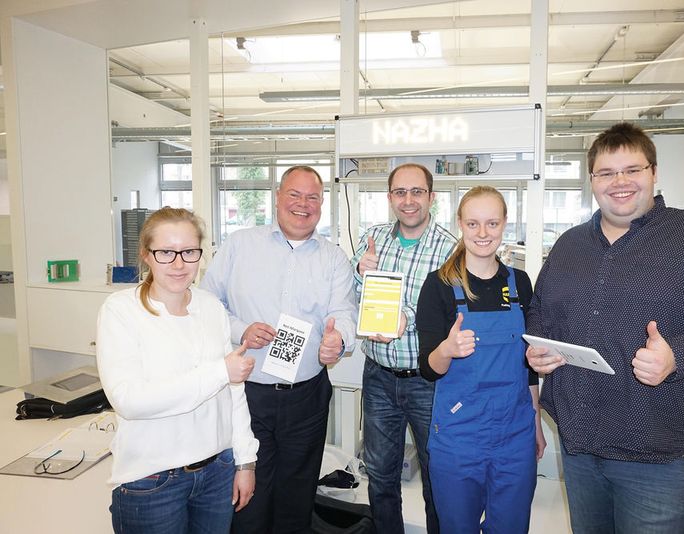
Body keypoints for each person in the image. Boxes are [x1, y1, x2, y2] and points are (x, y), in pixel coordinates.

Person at [526, 122, 684, 533]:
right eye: (606, 172)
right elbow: (541, 312)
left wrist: (680, 355)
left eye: (632, 170)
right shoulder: (569, 245)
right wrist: (540, 350)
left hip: (660, 452)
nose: (619, 182)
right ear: (592, 182)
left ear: (654, 173)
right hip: (581, 446)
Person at [201, 165, 357, 534]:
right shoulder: (239, 245)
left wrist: (339, 339)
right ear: (277, 197)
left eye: (313, 197)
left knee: (297, 496)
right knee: (248, 494)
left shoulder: (333, 257)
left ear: (322, 204)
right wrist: (241, 330)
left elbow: (343, 312)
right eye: (295, 194)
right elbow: (206, 304)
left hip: (307, 397)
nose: (303, 204)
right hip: (247, 393)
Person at [96, 207, 259, 534]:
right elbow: (129, 401)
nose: (179, 263)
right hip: (151, 480)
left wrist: (245, 461)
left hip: (217, 471)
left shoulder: (211, 307)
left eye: (189, 251)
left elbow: (233, 395)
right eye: (166, 252)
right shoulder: (121, 311)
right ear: (146, 255)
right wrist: (219, 372)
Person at [417, 186, 546, 534]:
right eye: (473, 224)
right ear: (459, 223)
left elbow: (528, 365)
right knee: (457, 527)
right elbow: (428, 369)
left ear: (505, 223)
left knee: (512, 526)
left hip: (515, 433)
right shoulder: (439, 286)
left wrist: (534, 424)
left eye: (492, 223)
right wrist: (447, 349)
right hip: (460, 436)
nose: (483, 233)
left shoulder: (519, 283)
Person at [351, 162, 456, 533]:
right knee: (379, 476)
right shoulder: (373, 238)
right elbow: (354, 295)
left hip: (428, 382)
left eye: (416, 192)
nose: (408, 201)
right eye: (400, 192)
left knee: (436, 477)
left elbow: (451, 314)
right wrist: (359, 271)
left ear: (431, 197)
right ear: (389, 197)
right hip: (378, 376)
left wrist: (405, 317)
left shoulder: (450, 249)